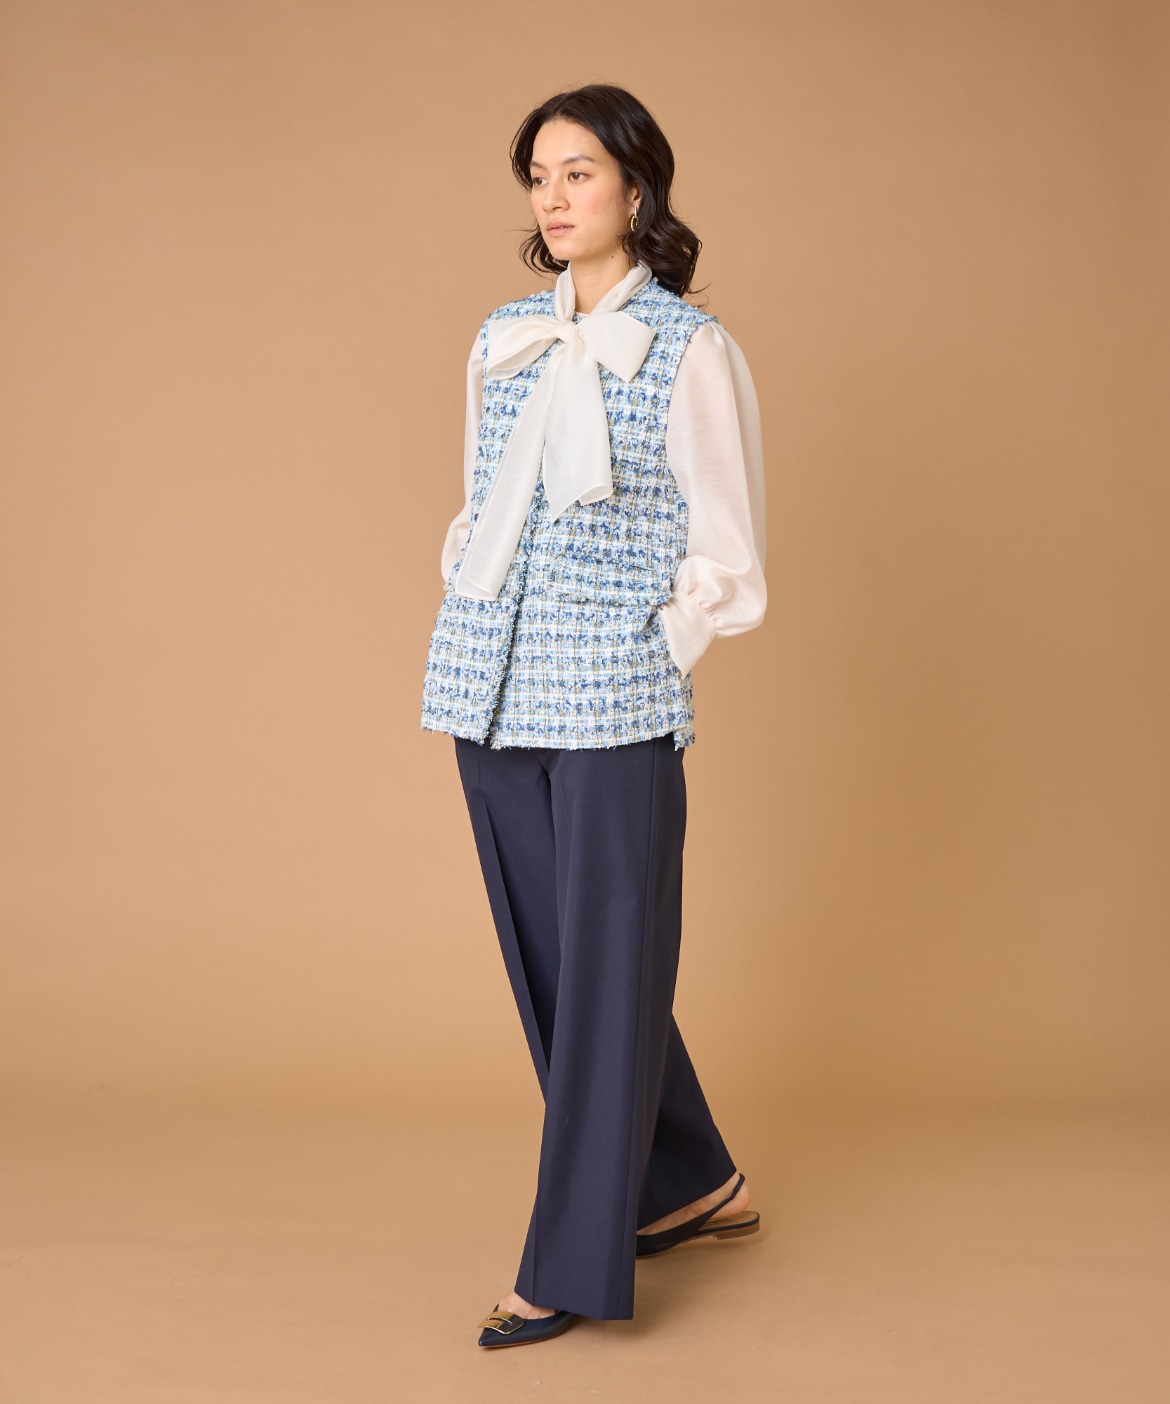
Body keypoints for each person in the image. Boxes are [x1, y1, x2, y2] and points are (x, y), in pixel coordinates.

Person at [420, 83, 767, 1348]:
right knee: (565, 972)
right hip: (488, 683)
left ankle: (567, 1262)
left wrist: (654, 645)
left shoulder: (691, 348)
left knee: (612, 969)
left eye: (579, 173)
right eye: (540, 176)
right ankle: (694, 1180)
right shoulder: (502, 335)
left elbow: (728, 547)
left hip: (614, 697)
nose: (555, 197)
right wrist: (466, 597)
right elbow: (479, 498)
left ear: (636, 187)